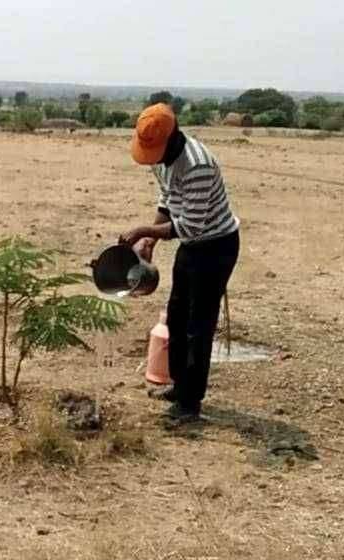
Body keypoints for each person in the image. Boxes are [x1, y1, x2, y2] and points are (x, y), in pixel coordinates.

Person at [119, 103, 240, 426]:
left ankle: (190, 402)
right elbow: (167, 200)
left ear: (172, 137)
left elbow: (191, 226)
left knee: (198, 325)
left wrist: (144, 230)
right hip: (192, 245)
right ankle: (178, 385)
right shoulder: (163, 159)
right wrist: (150, 241)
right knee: (176, 314)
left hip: (215, 246)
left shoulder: (197, 165)